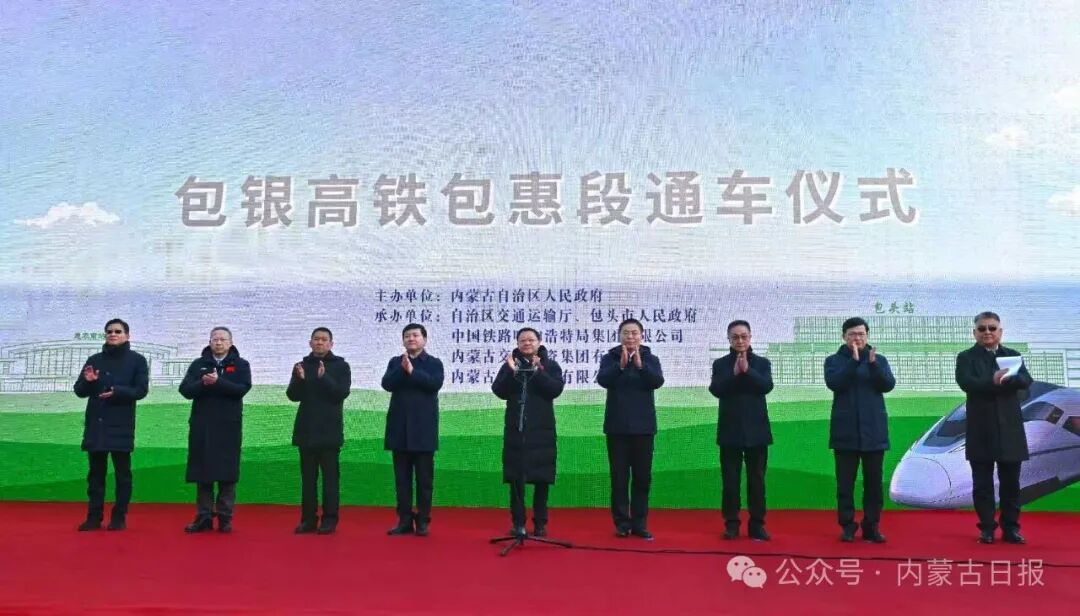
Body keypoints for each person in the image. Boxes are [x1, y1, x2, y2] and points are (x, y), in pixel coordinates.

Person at [955, 311, 1032, 544]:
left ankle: (1011, 529)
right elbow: (967, 383)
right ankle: (987, 528)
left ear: (1000, 331)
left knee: (1011, 484)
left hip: (1010, 429)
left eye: (992, 328)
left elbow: (1026, 381)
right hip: (981, 428)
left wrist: (1006, 379)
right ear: (974, 332)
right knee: (982, 484)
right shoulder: (966, 357)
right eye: (982, 328)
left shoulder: (1012, 355)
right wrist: (994, 380)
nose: (987, 332)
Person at [73, 318, 149, 531]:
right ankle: (93, 517)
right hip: (97, 424)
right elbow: (79, 391)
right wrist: (88, 382)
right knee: (95, 475)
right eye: (109, 331)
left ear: (127, 335)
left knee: (122, 475)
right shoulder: (94, 360)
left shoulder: (137, 360)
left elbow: (141, 390)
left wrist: (118, 392)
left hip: (121, 424)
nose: (113, 334)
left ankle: (119, 517)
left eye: (117, 331)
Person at [824, 317, 895, 543]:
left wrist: (872, 365)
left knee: (873, 485)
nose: (857, 338)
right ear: (844, 337)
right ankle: (847, 526)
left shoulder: (878, 360)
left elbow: (888, 385)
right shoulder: (834, 361)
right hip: (845, 433)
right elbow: (835, 383)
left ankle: (871, 526)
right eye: (852, 334)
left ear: (867, 335)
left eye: (861, 334)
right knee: (845, 484)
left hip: (874, 432)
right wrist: (854, 363)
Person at [491, 328, 565, 538]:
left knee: (542, 478)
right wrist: (512, 372)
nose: (527, 343)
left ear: (539, 342)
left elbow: (555, 390)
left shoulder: (550, 365)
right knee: (516, 478)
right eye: (522, 340)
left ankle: (540, 523)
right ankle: (518, 523)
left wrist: (538, 371)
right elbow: (499, 391)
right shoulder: (510, 365)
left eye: (531, 339)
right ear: (517, 343)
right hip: (516, 430)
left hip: (542, 430)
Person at [178, 327, 252, 534]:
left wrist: (219, 382)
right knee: (203, 473)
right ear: (209, 342)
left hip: (228, 427)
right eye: (215, 339)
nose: (218, 343)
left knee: (227, 474)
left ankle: (225, 518)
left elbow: (242, 389)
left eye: (223, 339)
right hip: (203, 426)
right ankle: (204, 517)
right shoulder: (199, 364)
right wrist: (203, 383)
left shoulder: (241, 365)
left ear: (230, 342)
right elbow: (185, 390)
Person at [596, 318, 665, 540]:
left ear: (641, 336)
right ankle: (622, 523)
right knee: (619, 478)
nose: (630, 337)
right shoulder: (610, 358)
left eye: (634, 333)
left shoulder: (650, 359)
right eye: (626, 333)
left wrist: (640, 366)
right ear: (620, 336)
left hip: (644, 428)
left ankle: (639, 523)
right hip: (617, 428)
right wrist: (621, 365)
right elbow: (603, 380)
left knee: (642, 478)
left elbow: (657, 381)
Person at [709, 320, 774, 541]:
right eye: (735, 337)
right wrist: (735, 373)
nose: (740, 340)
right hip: (730, 430)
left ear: (750, 337)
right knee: (730, 481)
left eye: (744, 336)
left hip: (757, 431)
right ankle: (731, 524)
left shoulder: (762, 363)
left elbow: (766, 386)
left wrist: (748, 372)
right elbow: (716, 389)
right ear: (728, 339)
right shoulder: (720, 364)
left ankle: (757, 525)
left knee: (757, 480)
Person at [381, 323, 444, 537]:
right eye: (407, 336)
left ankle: (423, 520)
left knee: (424, 480)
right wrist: (402, 369)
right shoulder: (395, 362)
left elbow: (434, 384)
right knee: (402, 480)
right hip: (399, 429)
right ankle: (404, 520)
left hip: (423, 430)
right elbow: (387, 384)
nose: (411, 339)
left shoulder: (434, 363)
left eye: (415, 335)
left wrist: (412, 372)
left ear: (424, 339)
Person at [287, 327, 351, 535]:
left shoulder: (341, 366)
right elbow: (292, 396)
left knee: (330, 480)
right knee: (308, 480)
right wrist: (300, 380)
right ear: (310, 343)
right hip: (306, 431)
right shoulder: (301, 366)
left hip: (329, 432)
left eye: (324, 340)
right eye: (316, 339)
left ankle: (330, 520)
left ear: (331, 344)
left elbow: (341, 393)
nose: (320, 343)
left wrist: (325, 378)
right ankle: (308, 520)